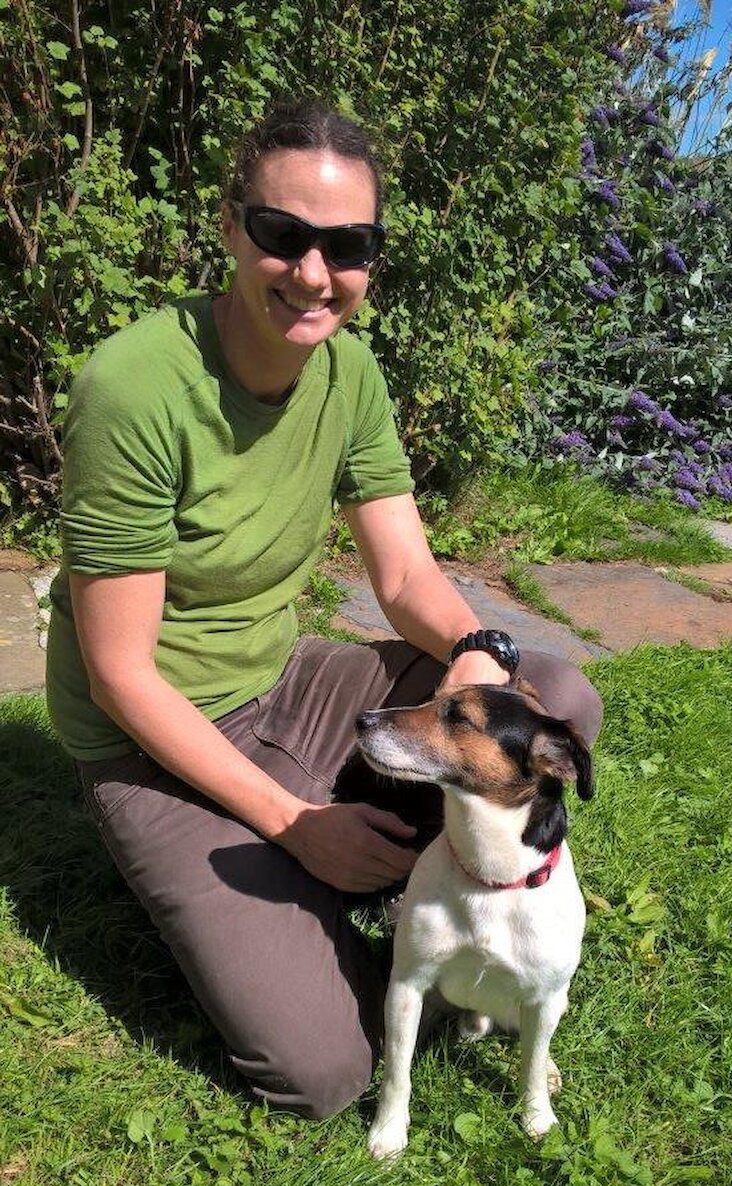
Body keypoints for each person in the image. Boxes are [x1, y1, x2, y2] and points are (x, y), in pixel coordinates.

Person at [46, 97, 602, 1119]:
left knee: (552, 692)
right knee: (325, 1070)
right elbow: (121, 674)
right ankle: (325, 875)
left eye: (347, 245)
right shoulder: (135, 387)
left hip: (286, 684)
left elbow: (401, 578)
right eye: (282, 233)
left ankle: (406, 892)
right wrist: (297, 825)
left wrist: (477, 646)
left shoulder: (347, 370)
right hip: (151, 733)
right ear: (230, 226)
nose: (313, 271)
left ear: (371, 259)